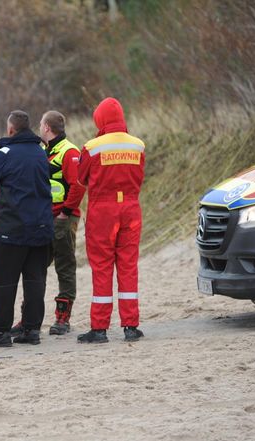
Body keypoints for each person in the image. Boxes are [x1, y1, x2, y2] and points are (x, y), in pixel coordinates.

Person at [0, 110, 53, 348]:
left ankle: (0, 333)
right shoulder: (42, 153)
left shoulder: (5, 153)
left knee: (3, 282)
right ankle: (31, 330)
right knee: (35, 281)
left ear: (10, 130)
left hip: (12, 228)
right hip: (41, 227)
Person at [76, 97, 146, 343]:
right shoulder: (138, 146)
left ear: (100, 119)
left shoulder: (92, 147)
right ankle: (130, 325)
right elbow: (140, 177)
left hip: (102, 211)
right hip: (130, 208)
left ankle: (99, 328)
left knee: (102, 267)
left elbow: (80, 178)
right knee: (128, 266)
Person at [39, 110, 85, 335]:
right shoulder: (43, 150)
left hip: (63, 218)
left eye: (41, 125)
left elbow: (78, 185)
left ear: (47, 127)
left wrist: (65, 212)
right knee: (36, 266)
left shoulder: (70, 152)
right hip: (43, 218)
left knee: (64, 267)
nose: (39, 128)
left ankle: (62, 318)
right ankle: (32, 318)